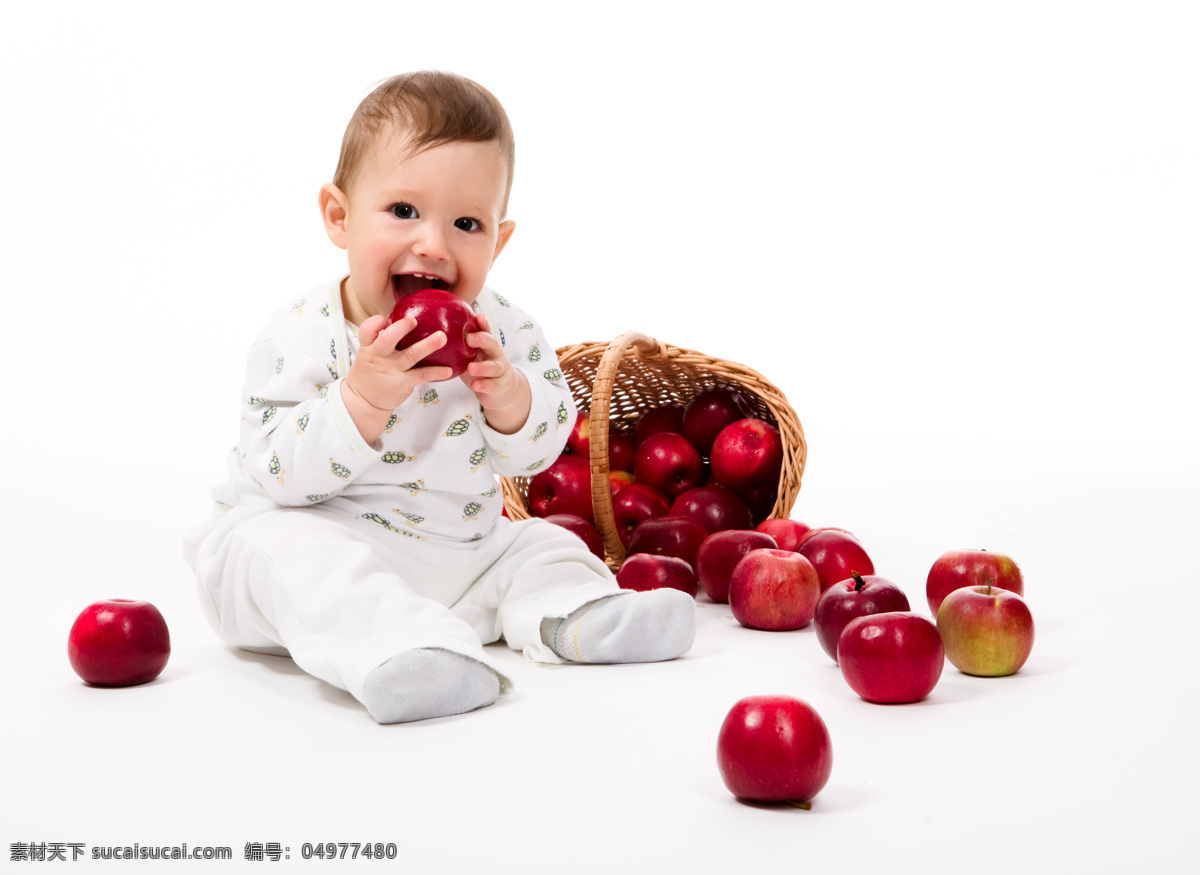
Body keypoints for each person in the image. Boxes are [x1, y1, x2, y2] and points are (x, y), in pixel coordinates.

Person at [183, 71, 695, 724]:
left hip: (462, 555)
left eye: (466, 222)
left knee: (540, 545)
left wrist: (507, 394)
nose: (434, 243)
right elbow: (274, 473)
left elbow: (535, 457)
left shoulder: (502, 331)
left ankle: (581, 616)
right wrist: (362, 396)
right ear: (339, 217)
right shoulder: (302, 333)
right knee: (278, 549)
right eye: (403, 211)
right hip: (320, 538)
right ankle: (401, 648)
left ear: (498, 241)